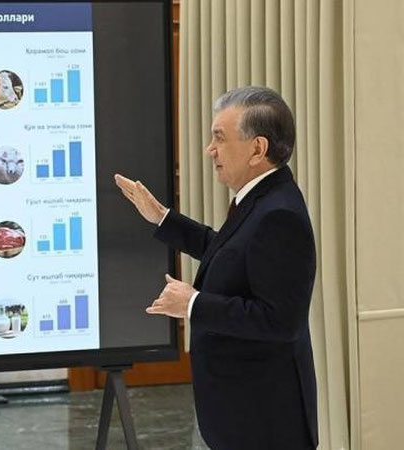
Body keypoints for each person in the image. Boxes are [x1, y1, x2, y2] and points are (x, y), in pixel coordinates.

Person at [115, 86, 318, 449]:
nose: (210, 149)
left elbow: (280, 320)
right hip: (246, 413)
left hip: (265, 421)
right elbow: (229, 253)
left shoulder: (279, 214)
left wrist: (192, 303)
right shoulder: (261, 199)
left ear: (257, 149)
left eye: (220, 138)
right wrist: (162, 217)